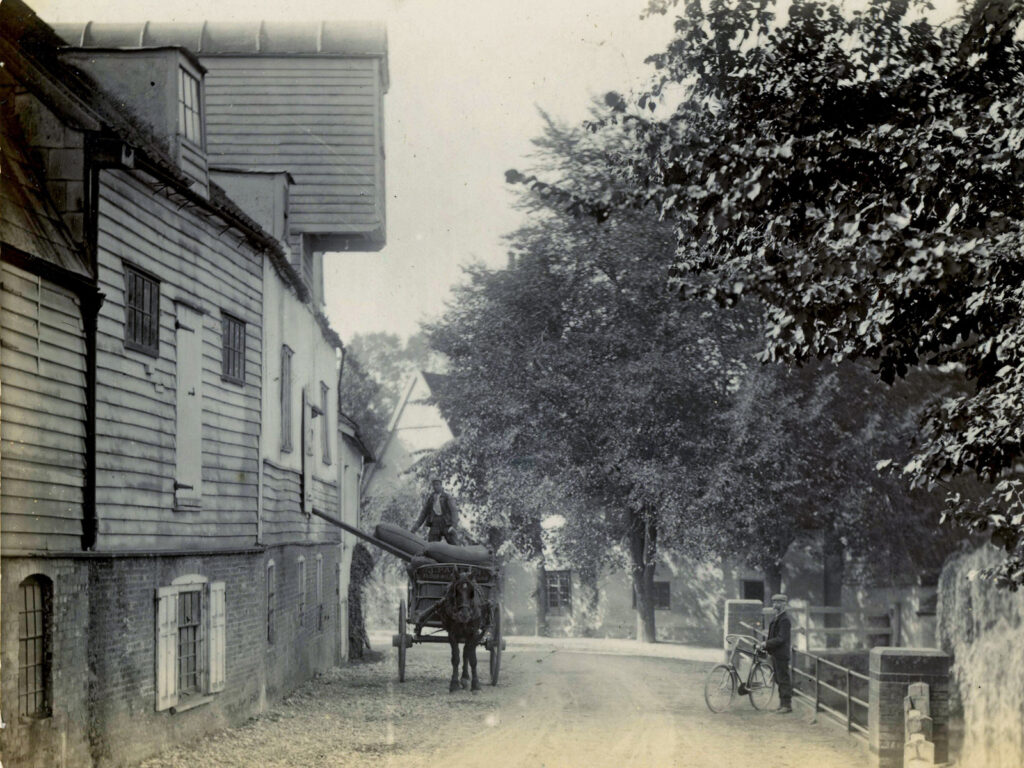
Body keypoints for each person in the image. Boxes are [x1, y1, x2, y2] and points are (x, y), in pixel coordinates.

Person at [762, 593, 793, 714]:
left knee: (783, 679)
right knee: (779, 679)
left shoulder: (785, 619)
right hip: (776, 653)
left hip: (781, 654)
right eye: (774, 602)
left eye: (779, 602)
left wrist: (766, 644)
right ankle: (782, 704)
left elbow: (781, 638)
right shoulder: (777, 617)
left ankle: (787, 705)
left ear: (784, 604)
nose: (776, 604)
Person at [411, 478, 459, 544]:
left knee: (453, 543)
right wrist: (415, 528)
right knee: (431, 543)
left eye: (437, 484)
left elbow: (454, 512)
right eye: (434, 485)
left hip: (446, 522)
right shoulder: (431, 498)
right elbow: (424, 513)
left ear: (441, 485)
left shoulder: (447, 497)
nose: (435, 487)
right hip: (435, 522)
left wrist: (453, 526)